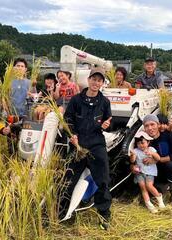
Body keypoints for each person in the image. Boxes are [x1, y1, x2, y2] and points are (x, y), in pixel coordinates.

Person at [63, 67, 112, 230]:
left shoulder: (104, 102)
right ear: (88, 80)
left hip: (97, 143)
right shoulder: (76, 100)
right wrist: (73, 134)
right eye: (94, 79)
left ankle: (104, 214)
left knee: (103, 180)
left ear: (102, 83)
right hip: (78, 144)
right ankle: (62, 211)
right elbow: (67, 120)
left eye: (99, 80)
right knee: (67, 178)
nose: (96, 82)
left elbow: (107, 122)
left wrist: (106, 125)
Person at [141, 114, 172, 205]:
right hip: (153, 172)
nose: (150, 128)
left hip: (167, 167)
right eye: (147, 126)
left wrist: (157, 160)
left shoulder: (168, 135)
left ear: (158, 124)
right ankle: (160, 187)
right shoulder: (143, 140)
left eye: (152, 124)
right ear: (144, 128)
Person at [130, 131, 165, 213]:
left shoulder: (151, 149)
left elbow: (158, 158)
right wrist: (133, 155)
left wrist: (152, 153)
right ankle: (148, 204)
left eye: (143, 143)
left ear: (148, 142)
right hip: (140, 172)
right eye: (138, 143)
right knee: (143, 187)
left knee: (149, 185)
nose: (141, 145)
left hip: (150, 172)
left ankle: (159, 199)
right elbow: (132, 161)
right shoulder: (135, 151)